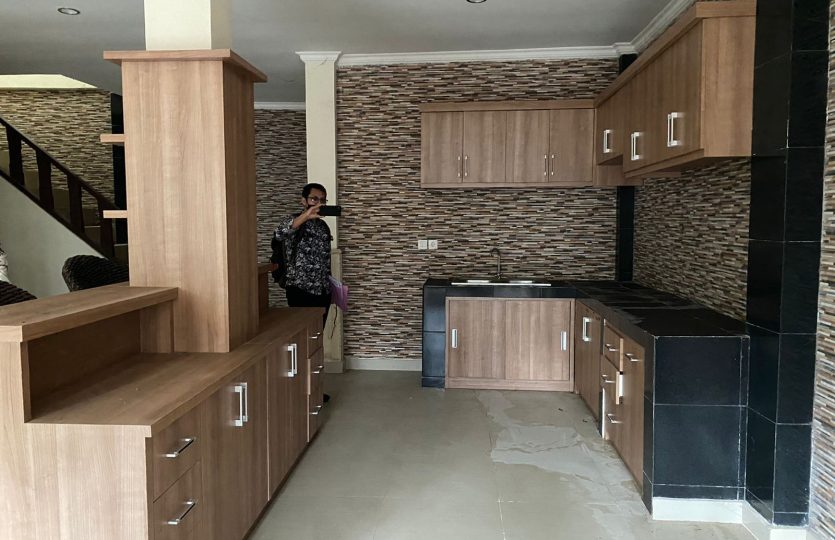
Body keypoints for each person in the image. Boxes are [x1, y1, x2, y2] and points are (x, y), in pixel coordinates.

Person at [273, 183, 333, 402]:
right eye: (314, 199)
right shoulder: (294, 222)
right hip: (300, 290)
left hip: (322, 290)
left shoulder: (323, 227)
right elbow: (279, 234)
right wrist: (305, 216)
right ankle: (298, 393)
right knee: (301, 342)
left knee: (315, 342)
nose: (318, 204)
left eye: (322, 200)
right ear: (303, 200)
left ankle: (313, 390)